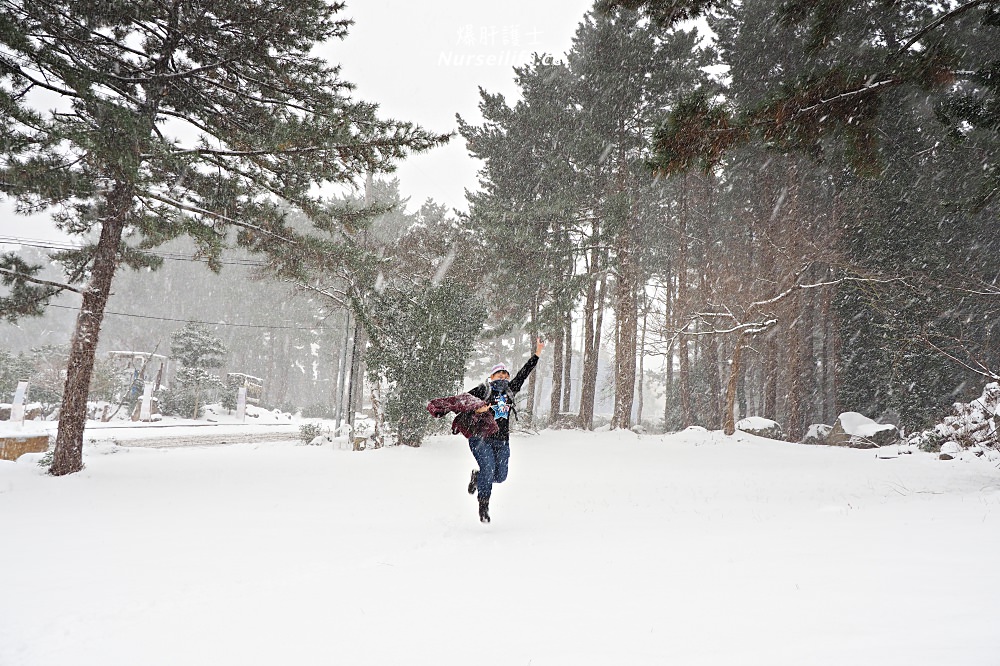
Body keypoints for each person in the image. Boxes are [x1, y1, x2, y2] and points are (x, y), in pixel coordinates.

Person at [465, 339, 544, 523]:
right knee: (488, 468)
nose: (502, 377)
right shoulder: (482, 390)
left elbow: (524, 373)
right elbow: (463, 402)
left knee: (500, 476)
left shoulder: (510, 391)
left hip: (502, 441)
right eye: (498, 374)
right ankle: (483, 505)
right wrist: (478, 409)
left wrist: (538, 352)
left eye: (504, 374)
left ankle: (478, 478)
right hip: (481, 438)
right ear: (491, 377)